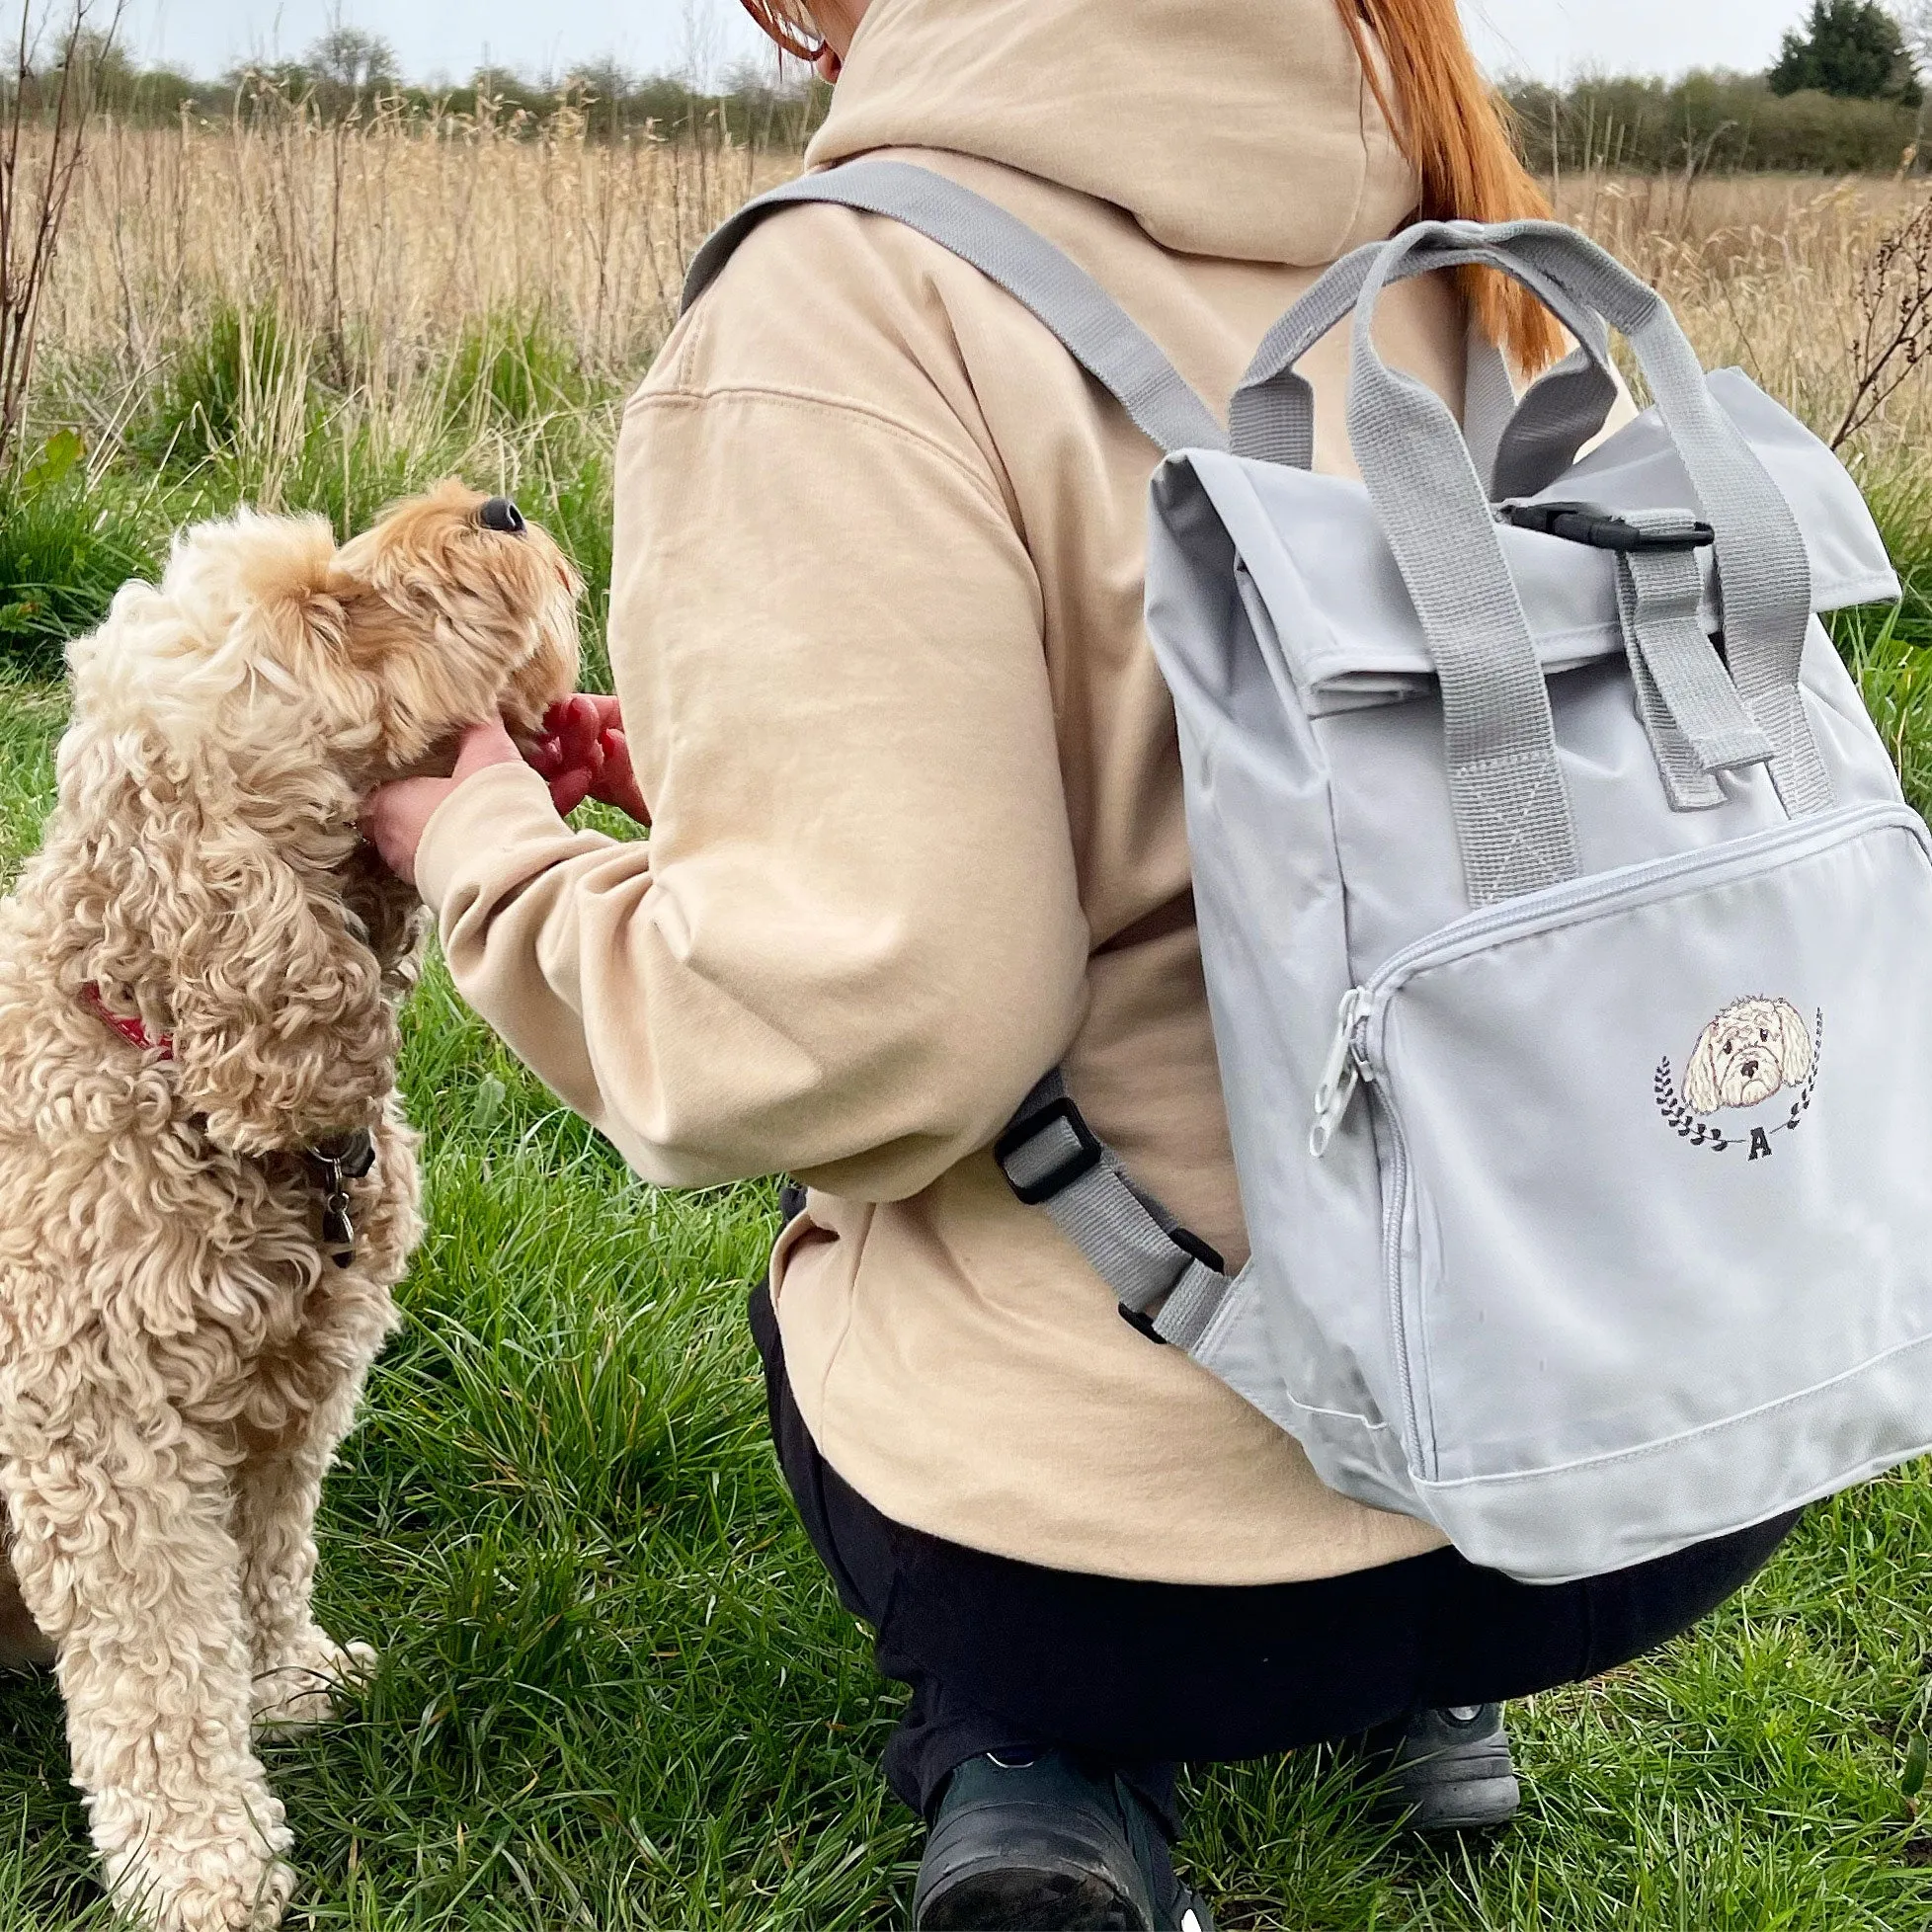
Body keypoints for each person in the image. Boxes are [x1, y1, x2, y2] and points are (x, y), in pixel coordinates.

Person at [363, 2, 1799, 1924]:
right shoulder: (1471, 234)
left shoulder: (853, 306)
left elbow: (846, 1031)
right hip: (1637, 1487)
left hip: (1127, 1580)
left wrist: (479, 843)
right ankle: (1424, 1689)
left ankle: (1040, 1755)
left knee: (855, 1173)